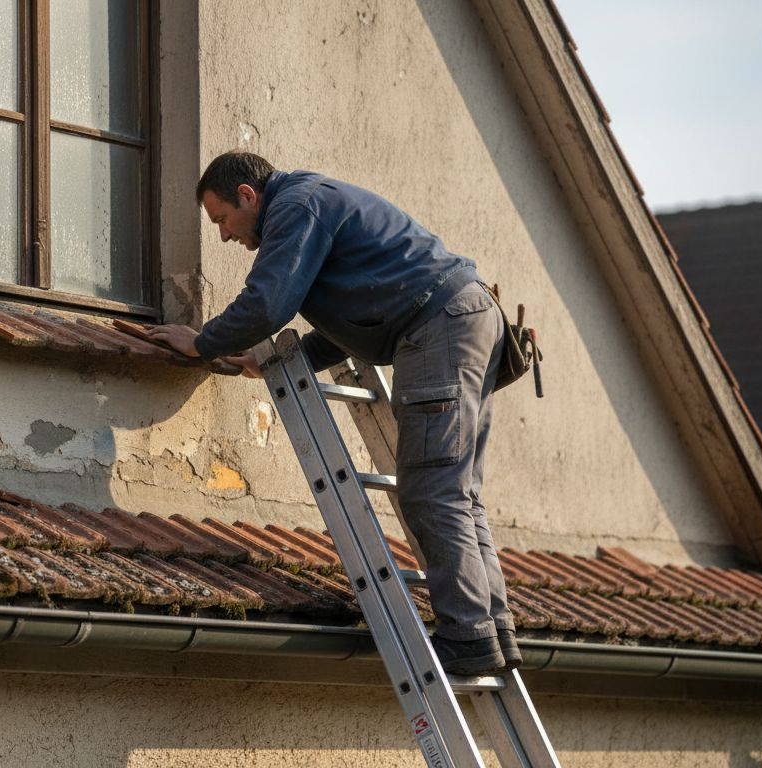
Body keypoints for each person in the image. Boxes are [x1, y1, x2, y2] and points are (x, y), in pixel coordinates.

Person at [147, 151, 519, 676]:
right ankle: (492, 629)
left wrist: (201, 344)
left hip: (439, 329)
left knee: (433, 492)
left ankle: (468, 638)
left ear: (248, 196)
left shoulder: (296, 207)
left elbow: (267, 304)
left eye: (222, 220)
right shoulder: (314, 202)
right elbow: (356, 323)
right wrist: (265, 357)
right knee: (458, 492)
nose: (225, 236)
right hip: (464, 319)